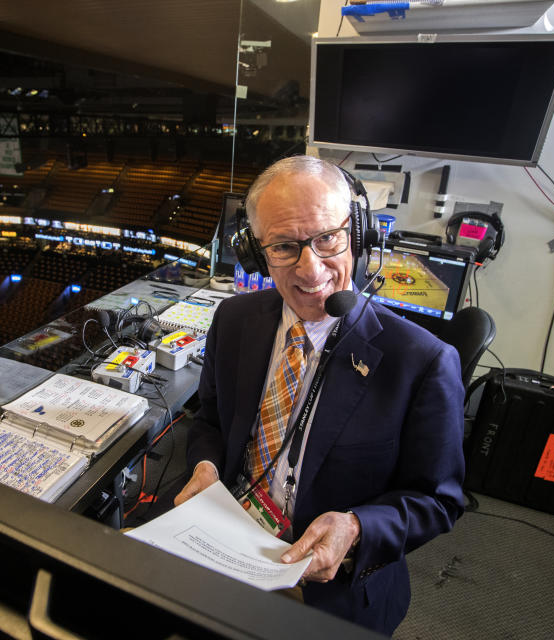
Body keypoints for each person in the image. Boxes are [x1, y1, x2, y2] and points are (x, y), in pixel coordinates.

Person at [173, 155, 465, 634]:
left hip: (334, 593)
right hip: (228, 548)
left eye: (328, 238)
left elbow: (439, 500)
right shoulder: (233, 319)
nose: (312, 269)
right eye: (285, 246)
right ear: (256, 252)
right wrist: (205, 466)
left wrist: (356, 527)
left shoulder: (422, 360)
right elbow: (210, 420)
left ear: (359, 233)